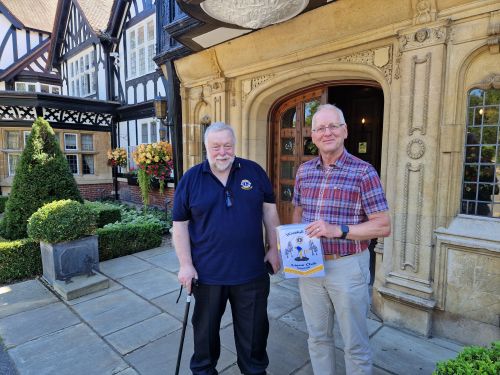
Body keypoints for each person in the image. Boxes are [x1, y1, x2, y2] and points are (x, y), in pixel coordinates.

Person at [172, 121, 281, 375]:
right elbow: (180, 226)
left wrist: (274, 247)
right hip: (207, 276)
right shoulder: (190, 179)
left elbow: (270, 211)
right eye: (216, 146)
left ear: (234, 145)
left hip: (251, 274)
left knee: (254, 338)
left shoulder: (254, 172)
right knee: (205, 340)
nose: (222, 152)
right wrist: (186, 265)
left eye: (227, 146)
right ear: (206, 147)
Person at [292, 104, 391, 375]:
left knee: (355, 344)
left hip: (348, 268)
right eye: (320, 128)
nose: (327, 133)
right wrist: (292, 241)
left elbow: (383, 226)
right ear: (312, 136)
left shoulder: (364, 172)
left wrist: (338, 230)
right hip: (310, 267)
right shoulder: (304, 171)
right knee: (317, 338)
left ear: (344, 131)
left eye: (333, 126)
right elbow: (298, 210)